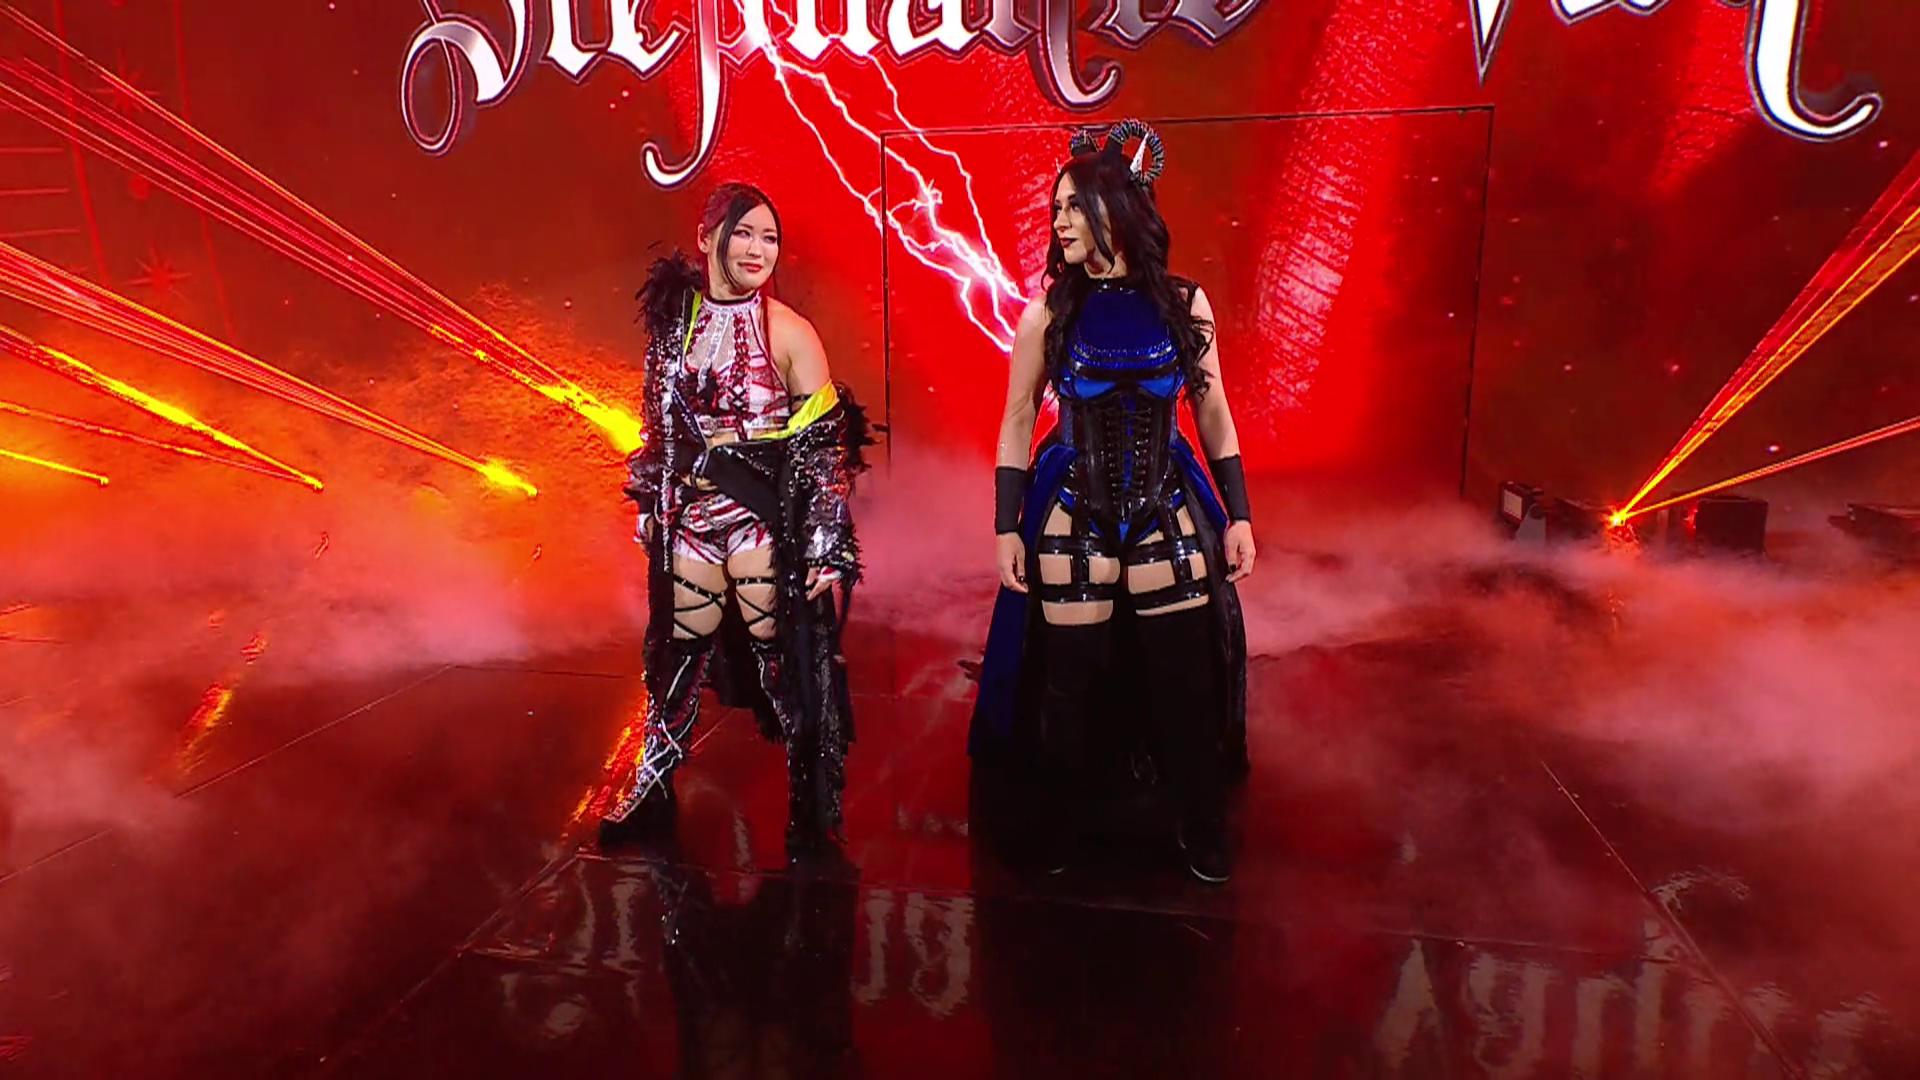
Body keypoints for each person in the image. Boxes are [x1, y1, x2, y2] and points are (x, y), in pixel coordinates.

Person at [968, 120, 1256, 884]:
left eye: (1073, 206)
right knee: (1067, 683)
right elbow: (1018, 420)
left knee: (1184, 681)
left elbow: (1214, 411)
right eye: (1056, 209)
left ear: (1115, 209)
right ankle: (1060, 827)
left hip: (1166, 501)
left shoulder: (1184, 303)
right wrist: (1005, 528)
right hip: (1072, 506)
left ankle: (1201, 825)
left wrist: (1240, 514)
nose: (1059, 222)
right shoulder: (1047, 313)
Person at [603, 182, 869, 855]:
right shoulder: (675, 325)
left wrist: (822, 542)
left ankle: (810, 804)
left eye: (769, 237)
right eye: (743, 233)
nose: (757, 249)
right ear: (706, 237)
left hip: (761, 519)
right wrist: (650, 503)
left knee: (786, 661)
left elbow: (825, 448)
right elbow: (657, 426)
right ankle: (653, 784)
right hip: (691, 518)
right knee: (675, 655)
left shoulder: (791, 331)